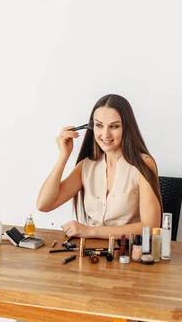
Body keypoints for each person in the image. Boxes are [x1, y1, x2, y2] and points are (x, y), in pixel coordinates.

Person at [36, 94, 161, 239]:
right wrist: (64, 156)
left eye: (114, 126)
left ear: (127, 128)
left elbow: (151, 227)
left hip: (130, 254)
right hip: (91, 253)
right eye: (99, 125)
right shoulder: (87, 166)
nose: (105, 134)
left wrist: (90, 231)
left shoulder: (143, 165)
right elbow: (44, 205)